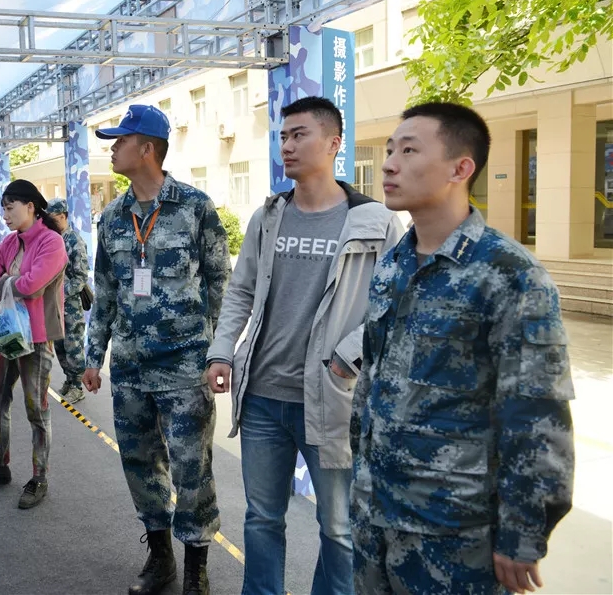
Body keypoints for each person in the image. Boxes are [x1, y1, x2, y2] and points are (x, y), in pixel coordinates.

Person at [351, 103, 574, 595]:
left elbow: (536, 412)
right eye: (389, 150)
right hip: (375, 515)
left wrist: (522, 532)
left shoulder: (510, 274)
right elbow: (372, 383)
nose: (389, 164)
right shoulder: (392, 264)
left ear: (461, 168)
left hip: (453, 533)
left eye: (409, 151)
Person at [205, 97, 403, 595]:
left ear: (334, 143)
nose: (287, 146)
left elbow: (393, 305)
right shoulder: (269, 216)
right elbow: (241, 290)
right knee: (261, 518)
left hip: (332, 398)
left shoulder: (375, 222)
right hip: (261, 397)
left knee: (338, 528)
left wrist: (348, 358)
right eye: (283, 136)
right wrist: (222, 350)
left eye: (299, 135)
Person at [83, 104, 230, 595]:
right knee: (141, 465)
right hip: (130, 368)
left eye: (121, 140)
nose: (113, 149)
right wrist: (93, 356)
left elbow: (220, 282)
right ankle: (161, 558)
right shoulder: (112, 217)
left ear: (147, 148)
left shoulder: (195, 207)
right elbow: (104, 291)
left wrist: (213, 348)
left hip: (185, 366)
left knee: (192, 469)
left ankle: (196, 567)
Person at [0, 180, 67, 510]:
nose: (5, 215)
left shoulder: (51, 242)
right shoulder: (10, 242)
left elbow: (34, 286)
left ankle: (39, 477)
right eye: (4, 209)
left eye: (10, 208)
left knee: (36, 409)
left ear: (31, 207)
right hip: (7, 333)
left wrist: (6, 282)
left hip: (36, 337)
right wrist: (12, 284)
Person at [45, 197, 90, 404]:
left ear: (63, 216)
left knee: (73, 346)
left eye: (53, 218)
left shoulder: (74, 242)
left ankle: (77, 386)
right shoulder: (53, 239)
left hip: (70, 304)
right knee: (60, 346)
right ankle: (69, 380)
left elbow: (81, 277)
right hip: (55, 304)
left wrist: (61, 293)